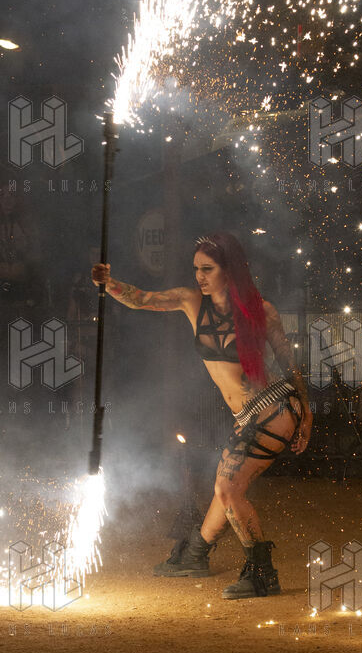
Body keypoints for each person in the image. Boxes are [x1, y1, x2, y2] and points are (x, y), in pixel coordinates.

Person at [91, 231, 313, 599]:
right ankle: (195, 553)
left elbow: (290, 367)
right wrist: (108, 283)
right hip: (248, 416)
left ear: (230, 270)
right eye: (196, 269)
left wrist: (307, 416)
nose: (199, 277)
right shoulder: (191, 302)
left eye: (207, 269)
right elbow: (141, 299)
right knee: (225, 488)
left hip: (275, 408)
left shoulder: (263, 311)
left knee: (227, 488)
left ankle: (262, 574)